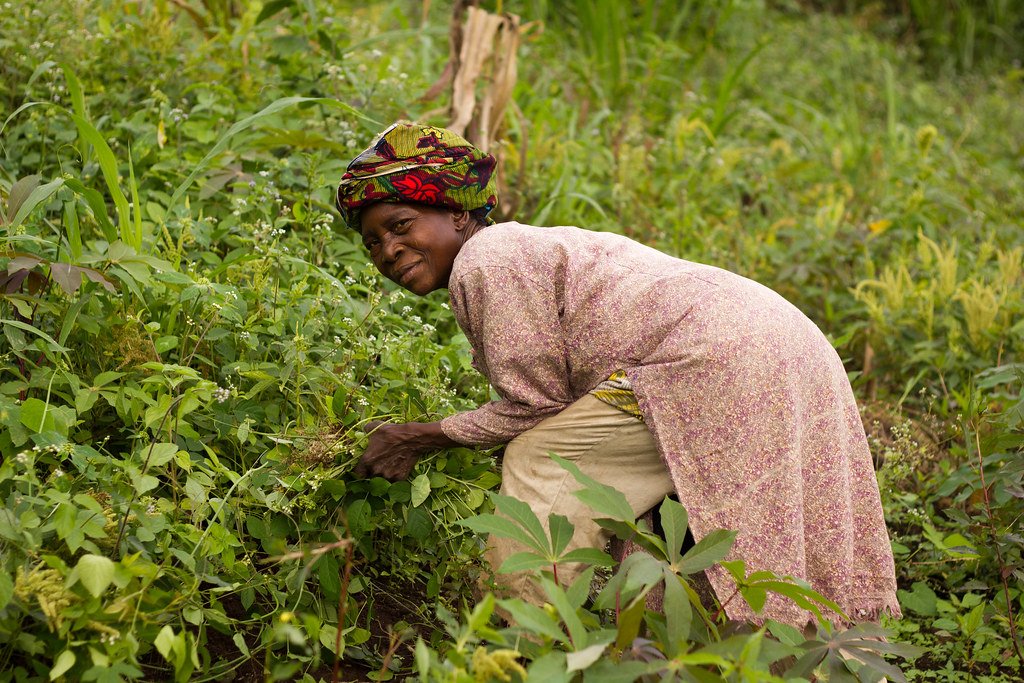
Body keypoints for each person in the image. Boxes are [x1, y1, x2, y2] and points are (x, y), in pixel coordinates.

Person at [336, 121, 901, 628]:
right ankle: (718, 659)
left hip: (708, 358)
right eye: (373, 242)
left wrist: (414, 436)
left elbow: (535, 406)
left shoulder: (489, 256)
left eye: (401, 224)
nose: (388, 249)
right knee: (682, 533)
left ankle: (514, 650)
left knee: (538, 463)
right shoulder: (533, 247)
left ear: (457, 214)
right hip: (784, 343)